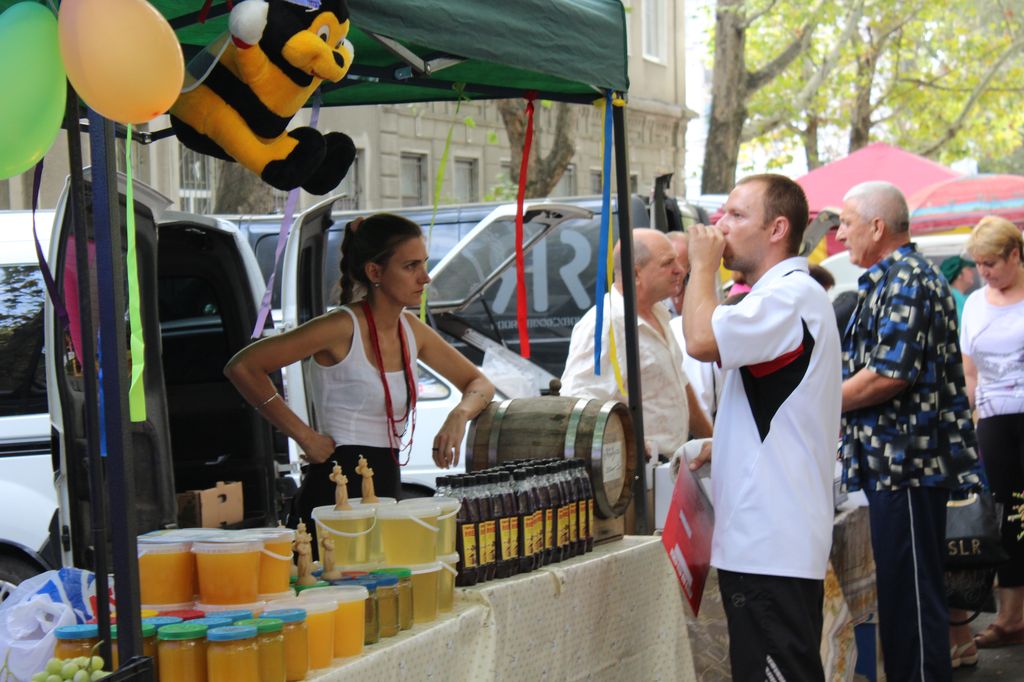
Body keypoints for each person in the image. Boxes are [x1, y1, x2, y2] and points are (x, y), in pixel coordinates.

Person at [225, 213, 494, 547]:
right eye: (410, 266)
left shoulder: (412, 330)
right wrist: (304, 436)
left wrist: (459, 415)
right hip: (335, 487)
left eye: (424, 264)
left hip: (386, 483)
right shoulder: (340, 326)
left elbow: (479, 383)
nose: (425, 277)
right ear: (375, 272)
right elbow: (243, 367)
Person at [684, 174, 841, 682]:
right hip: (769, 541)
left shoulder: (789, 296)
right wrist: (725, 444)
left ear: (777, 229)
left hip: (770, 541)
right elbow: (777, 402)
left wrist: (702, 267)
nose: (720, 225)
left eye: (736, 215)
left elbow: (700, 340)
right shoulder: (782, 295)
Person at [836, 181, 981, 681]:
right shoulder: (894, 278)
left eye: (846, 223)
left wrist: (818, 402)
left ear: (877, 227)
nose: (839, 234)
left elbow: (888, 375)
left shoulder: (908, 279)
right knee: (902, 598)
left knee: (913, 603)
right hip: (894, 465)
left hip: (908, 465)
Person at [560, 228, 711, 458]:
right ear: (636, 274)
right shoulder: (605, 324)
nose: (680, 269)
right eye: (667, 263)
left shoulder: (658, 312)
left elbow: (680, 386)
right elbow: (579, 405)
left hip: (667, 465)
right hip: (637, 472)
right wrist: (629, 449)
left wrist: (713, 441)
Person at [959, 217, 1024, 650]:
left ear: (1015, 255)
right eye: (979, 264)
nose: (984, 272)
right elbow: (970, 371)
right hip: (995, 421)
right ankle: (1011, 616)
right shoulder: (974, 304)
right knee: (1008, 519)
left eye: (991, 263)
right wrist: (972, 419)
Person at [665, 231, 723, 421]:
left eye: (684, 265)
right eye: (670, 263)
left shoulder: (701, 293)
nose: (678, 271)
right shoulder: (655, 304)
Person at [940, 255, 977, 326]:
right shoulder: (952, 299)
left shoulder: (963, 298)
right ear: (959, 275)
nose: (972, 273)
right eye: (968, 269)